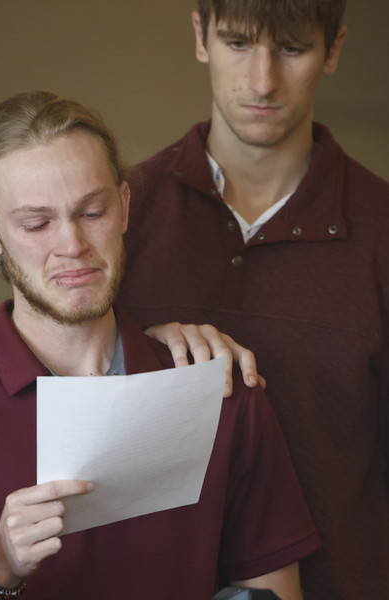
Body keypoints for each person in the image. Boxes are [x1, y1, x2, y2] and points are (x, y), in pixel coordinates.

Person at [0, 91, 321, 600]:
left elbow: (274, 592)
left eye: (92, 212)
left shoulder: (219, 389)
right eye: (37, 223)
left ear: (125, 206)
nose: (72, 246)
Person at [118, 1, 389, 599]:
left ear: (333, 49)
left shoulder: (383, 230)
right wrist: (133, 351)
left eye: (291, 49)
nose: (262, 80)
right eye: (238, 44)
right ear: (200, 36)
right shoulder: (118, 213)